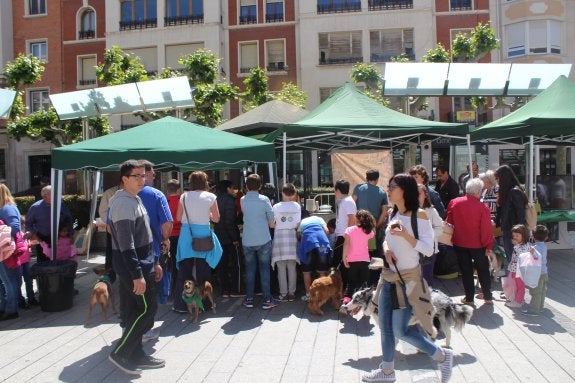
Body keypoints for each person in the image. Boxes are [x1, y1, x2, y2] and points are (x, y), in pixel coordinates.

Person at [362, 173, 453, 383]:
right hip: (388, 277)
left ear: (404, 190)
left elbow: (429, 249)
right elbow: (386, 240)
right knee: (384, 326)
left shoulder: (419, 215)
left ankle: (441, 355)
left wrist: (405, 236)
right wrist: (386, 250)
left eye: (392, 186)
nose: (388, 189)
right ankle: (387, 371)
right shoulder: (394, 212)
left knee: (399, 330)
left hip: (408, 280)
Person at [107, 159, 164, 375]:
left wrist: (155, 262)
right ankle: (121, 352)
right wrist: (137, 275)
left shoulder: (134, 198)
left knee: (135, 311)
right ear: (124, 179)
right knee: (147, 310)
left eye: (143, 175)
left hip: (144, 264)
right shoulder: (123, 202)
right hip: (135, 268)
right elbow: (126, 244)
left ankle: (136, 353)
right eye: (136, 176)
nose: (142, 179)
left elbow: (145, 236)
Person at [174, 171, 222, 313]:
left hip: (186, 235)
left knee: (184, 272)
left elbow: (177, 217)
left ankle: (180, 305)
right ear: (205, 182)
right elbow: (216, 219)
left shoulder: (184, 196)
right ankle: (205, 305)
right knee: (204, 272)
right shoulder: (211, 197)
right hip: (203, 236)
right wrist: (206, 214)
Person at [446, 178, 495, 305]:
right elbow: (486, 230)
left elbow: (449, 222)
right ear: (479, 192)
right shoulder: (482, 208)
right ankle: (488, 296)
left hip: (459, 242)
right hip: (478, 244)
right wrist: (488, 245)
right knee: (483, 269)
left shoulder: (454, 203)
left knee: (466, 270)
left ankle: (469, 298)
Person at [138, 160, 173, 308]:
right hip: (152, 250)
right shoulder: (157, 195)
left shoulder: (119, 196)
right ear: (145, 174)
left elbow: (109, 226)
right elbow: (167, 223)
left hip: (126, 252)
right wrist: (165, 239)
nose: (154, 177)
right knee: (154, 286)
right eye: (152, 174)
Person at [240, 174, 277, 310]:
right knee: (264, 269)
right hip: (263, 238)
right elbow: (272, 223)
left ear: (246, 186)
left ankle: (249, 298)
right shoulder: (265, 199)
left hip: (247, 239)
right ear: (260, 186)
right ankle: (267, 300)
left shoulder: (243, 200)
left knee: (250, 269)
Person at [25, 185, 73, 262]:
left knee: (61, 262)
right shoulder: (35, 208)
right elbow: (28, 223)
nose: (56, 197)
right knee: (44, 264)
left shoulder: (61, 204)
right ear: (45, 197)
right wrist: (35, 236)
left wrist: (70, 234)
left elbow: (69, 219)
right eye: (53, 195)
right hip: (43, 239)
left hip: (60, 239)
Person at [271, 183, 301, 302]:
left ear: (282, 193)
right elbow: (298, 224)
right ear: (294, 193)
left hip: (279, 236)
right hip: (292, 235)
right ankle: (292, 293)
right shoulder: (297, 206)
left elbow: (273, 223)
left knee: (281, 267)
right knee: (292, 267)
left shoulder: (276, 206)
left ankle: (283, 294)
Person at [213, 180, 243, 298]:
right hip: (229, 237)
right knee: (236, 264)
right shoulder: (230, 201)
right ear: (228, 188)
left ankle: (225, 289)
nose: (234, 190)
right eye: (232, 188)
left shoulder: (215, 199)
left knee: (222, 265)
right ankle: (235, 289)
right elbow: (229, 221)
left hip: (218, 236)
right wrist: (234, 238)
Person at [0, 184, 26, 320]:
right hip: (4, 251)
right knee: (6, 281)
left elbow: (15, 227)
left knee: (9, 281)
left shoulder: (6, 208)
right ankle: (5, 307)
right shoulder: (7, 207)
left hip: (6, 251)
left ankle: (11, 310)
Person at [494, 164, 527, 266]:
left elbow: (520, 213)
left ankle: (515, 281)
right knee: (511, 259)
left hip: (513, 231)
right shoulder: (507, 191)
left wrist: (518, 235)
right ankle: (513, 280)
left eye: (498, 178)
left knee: (514, 260)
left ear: (503, 178)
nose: (497, 181)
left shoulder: (514, 191)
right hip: (508, 229)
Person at [352, 169, 389, 258]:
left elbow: (352, 205)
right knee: (373, 255)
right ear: (377, 179)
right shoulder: (382, 192)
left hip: (359, 226)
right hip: (373, 228)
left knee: (359, 253)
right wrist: (377, 226)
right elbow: (384, 212)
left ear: (366, 178)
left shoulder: (358, 188)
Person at [297, 215, 332, 301]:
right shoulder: (319, 218)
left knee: (306, 272)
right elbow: (327, 231)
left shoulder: (302, 221)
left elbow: (298, 236)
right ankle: (323, 295)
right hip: (321, 243)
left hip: (308, 243)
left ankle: (309, 295)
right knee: (322, 270)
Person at [343, 209, 375, 298]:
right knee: (363, 283)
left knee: (351, 283)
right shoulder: (369, 232)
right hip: (365, 260)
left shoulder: (349, 230)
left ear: (356, 219)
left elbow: (346, 244)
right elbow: (373, 236)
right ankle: (361, 304)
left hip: (352, 260)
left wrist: (344, 257)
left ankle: (346, 302)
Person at [417, 184, 444, 287]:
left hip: (429, 249)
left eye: (419, 193)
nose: (416, 196)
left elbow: (440, 228)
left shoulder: (432, 211)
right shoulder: (407, 211)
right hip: (413, 249)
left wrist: (428, 234)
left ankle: (428, 301)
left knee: (427, 279)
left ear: (425, 195)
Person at [333, 179, 357, 294]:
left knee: (339, 264)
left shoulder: (347, 201)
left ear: (338, 190)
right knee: (340, 264)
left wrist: (347, 236)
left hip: (344, 237)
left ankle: (343, 292)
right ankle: (341, 291)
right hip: (342, 236)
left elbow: (352, 219)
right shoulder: (345, 201)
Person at [98, 180, 122, 284]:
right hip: (112, 229)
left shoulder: (134, 191)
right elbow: (103, 211)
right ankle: (110, 276)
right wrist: (110, 224)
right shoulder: (109, 193)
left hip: (127, 229)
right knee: (111, 253)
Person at [523, 225, 549, 316]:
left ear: (533, 237)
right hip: (544, 272)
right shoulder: (544, 246)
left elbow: (536, 259)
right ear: (546, 237)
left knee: (535, 292)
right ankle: (540, 307)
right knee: (542, 291)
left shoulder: (534, 248)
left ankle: (534, 310)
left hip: (537, 274)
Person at [505, 224, 531, 308]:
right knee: (516, 285)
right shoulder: (521, 245)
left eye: (517, 235)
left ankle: (518, 301)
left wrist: (515, 246)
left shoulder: (524, 246)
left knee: (520, 286)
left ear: (523, 236)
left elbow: (521, 256)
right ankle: (517, 298)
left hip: (519, 271)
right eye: (513, 235)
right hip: (515, 270)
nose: (514, 237)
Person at [165, 179, 182, 299]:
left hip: (166, 236)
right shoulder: (181, 201)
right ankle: (177, 288)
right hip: (179, 235)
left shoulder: (164, 201)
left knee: (168, 264)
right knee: (178, 263)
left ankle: (170, 289)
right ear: (179, 189)